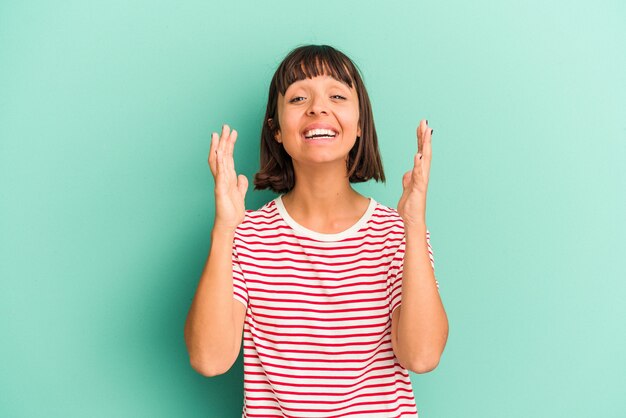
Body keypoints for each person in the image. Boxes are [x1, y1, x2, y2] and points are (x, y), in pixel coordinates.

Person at [184, 44, 449, 417]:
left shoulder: (397, 233)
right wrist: (224, 230)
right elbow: (209, 360)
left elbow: (421, 356)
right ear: (276, 131)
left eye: (337, 95)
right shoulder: (246, 235)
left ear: (359, 126)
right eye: (298, 98)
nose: (318, 108)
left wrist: (415, 226)